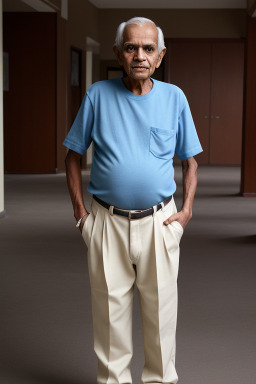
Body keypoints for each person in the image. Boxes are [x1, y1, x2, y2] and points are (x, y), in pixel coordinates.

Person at [63, 16, 203, 384]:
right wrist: (80, 213)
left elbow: (190, 162)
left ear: (159, 56)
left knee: (161, 316)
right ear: (118, 53)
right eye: (131, 47)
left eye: (148, 48)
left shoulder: (175, 98)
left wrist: (186, 212)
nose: (139, 55)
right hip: (106, 222)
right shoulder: (97, 95)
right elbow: (73, 155)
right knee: (110, 317)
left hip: (161, 223)